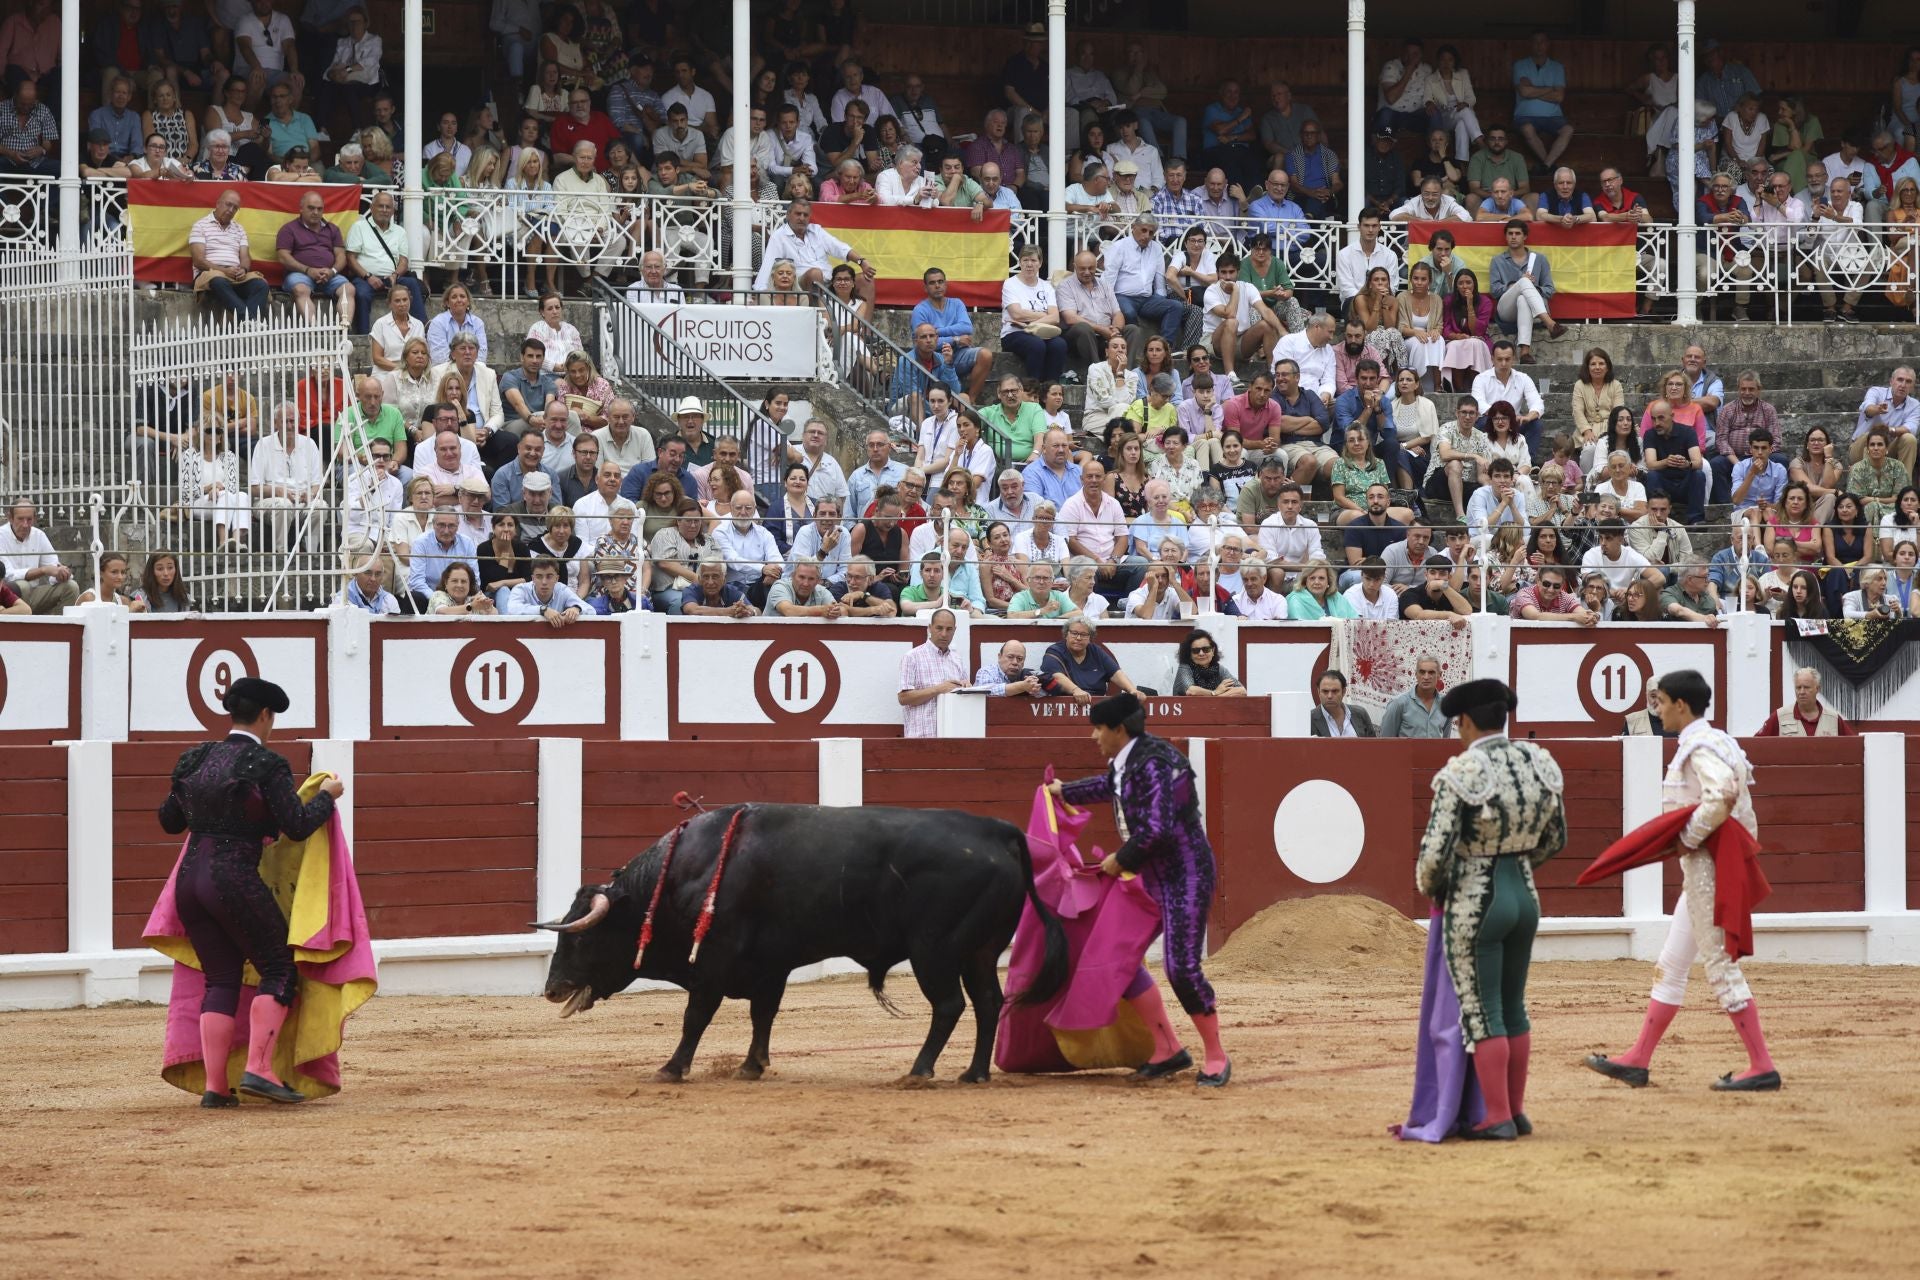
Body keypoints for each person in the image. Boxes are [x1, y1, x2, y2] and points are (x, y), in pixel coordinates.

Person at [1585, 670, 1782, 1094]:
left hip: (1707, 868)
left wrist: (1689, 838)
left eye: (1662, 700)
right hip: (1707, 868)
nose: (1657, 707)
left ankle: (1762, 1064)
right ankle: (1638, 1059)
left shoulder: (1698, 747)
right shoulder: (1720, 739)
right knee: (1671, 965)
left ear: (1680, 705)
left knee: (1719, 965)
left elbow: (1722, 795)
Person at [157, 677, 344, 1107]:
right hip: (234, 878)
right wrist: (327, 798)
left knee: (220, 977)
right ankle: (260, 1070)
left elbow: (170, 821)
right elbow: (295, 826)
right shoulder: (268, 764)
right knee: (279, 968)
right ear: (265, 716)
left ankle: (216, 1089)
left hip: (190, 882)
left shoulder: (194, 758)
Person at [1403, 677, 1565, 1141]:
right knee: (1514, 1005)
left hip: (1477, 901)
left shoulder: (1464, 771)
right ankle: (1516, 1110)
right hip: (1525, 895)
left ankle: (1496, 1116)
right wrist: (1517, 863)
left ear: (1467, 722)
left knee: (1481, 1010)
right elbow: (1557, 839)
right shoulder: (1539, 762)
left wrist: (1439, 892)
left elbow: (1434, 855)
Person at [1049, 691, 1230, 1086]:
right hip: (1148, 875)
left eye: (1099, 728)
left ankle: (1216, 1056)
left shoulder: (1156, 761)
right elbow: (1107, 786)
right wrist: (1065, 792)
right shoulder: (1128, 760)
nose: (1095, 736)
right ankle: (1167, 1048)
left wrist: (1121, 859)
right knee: (1117, 958)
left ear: (1119, 729)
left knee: (1180, 967)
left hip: (1185, 872)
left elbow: (1158, 827)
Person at [1, 500, 79, 614]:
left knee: (71, 587)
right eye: (20, 519)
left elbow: (53, 566)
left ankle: (56, 629)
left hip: (33, 594)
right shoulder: (1, 536)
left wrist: (60, 573)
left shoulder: (39, 535)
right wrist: (44, 570)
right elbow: (8, 575)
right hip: (8, 597)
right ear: (10, 518)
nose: (25, 524)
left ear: (35, 518)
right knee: (23, 586)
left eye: (29, 519)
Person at [897, 608, 966, 738]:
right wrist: (938, 689)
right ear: (929, 628)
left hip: (953, 737)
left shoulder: (957, 659)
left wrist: (966, 687)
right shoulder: (912, 657)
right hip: (921, 738)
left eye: (949, 629)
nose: (944, 634)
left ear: (954, 630)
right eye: (939, 628)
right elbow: (903, 698)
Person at [1754, 667, 1855, 737]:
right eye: (1798, 687)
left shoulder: (1833, 719)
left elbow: (1854, 745)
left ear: (1817, 689)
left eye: (1806, 687)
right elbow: (1756, 745)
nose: (1801, 692)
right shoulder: (1780, 716)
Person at [1171, 629, 1244, 696]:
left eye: (1206, 649)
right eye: (1196, 651)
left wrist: (1216, 697)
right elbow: (1191, 691)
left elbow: (1242, 691)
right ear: (1189, 654)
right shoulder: (1185, 667)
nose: (1201, 653)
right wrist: (1214, 692)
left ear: (1213, 650)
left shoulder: (1219, 669)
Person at [1309, 670, 1375, 737]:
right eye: (1325, 691)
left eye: (1335, 691)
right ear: (1318, 692)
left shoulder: (1360, 714)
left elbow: (1374, 745)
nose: (1330, 696)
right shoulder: (1309, 719)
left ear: (1343, 692)